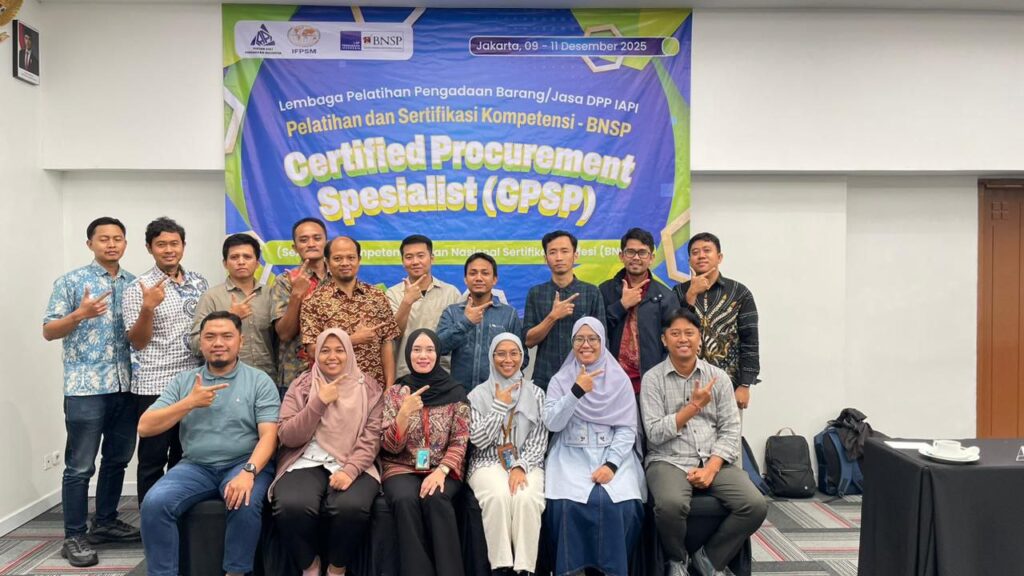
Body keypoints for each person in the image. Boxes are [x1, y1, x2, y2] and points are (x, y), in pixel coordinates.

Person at [137, 311, 279, 576]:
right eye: (210, 337)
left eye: (227, 336)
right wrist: (189, 403)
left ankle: (235, 572)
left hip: (243, 462)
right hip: (195, 466)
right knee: (154, 503)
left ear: (240, 341)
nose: (218, 343)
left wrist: (248, 473)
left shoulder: (259, 381)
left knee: (244, 500)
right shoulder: (185, 381)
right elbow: (145, 427)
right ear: (200, 343)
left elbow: (269, 436)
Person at [43, 217, 139, 567]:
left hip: (126, 386)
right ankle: (74, 535)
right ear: (90, 244)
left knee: (117, 459)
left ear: (125, 243)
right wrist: (79, 315)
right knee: (80, 465)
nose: (111, 244)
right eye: (104, 239)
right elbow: (49, 330)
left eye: (118, 238)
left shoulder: (134, 284)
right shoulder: (71, 281)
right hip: (85, 388)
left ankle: (106, 521)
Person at [641, 308, 767, 576]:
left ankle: (708, 560)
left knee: (755, 505)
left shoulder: (718, 377)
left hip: (714, 459)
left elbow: (731, 429)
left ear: (699, 337)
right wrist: (693, 408)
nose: (683, 339)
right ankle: (677, 559)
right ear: (664, 339)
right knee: (670, 505)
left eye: (689, 333)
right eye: (675, 333)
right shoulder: (652, 379)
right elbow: (654, 433)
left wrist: (712, 467)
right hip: (668, 459)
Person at [272, 328, 384, 576]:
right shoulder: (302, 385)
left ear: (350, 352)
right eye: (325, 350)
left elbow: (371, 438)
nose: (332, 357)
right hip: (305, 458)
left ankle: (337, 568)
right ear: (316, 354)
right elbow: (288, 436)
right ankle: (309, 565)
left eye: (339, 350)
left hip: (353, 460)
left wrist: (350, 470)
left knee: (351, 508)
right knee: (291, 506)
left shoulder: (370, 388)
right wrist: (319, 402)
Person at [543, 317, 644, 576]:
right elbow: (552, 422)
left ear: (603, 342)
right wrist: (575, 391)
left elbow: (626, 428)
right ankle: (572, 570)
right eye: (579, 339)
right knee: (566, 504)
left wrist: (611, 465)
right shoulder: (561, 380)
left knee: (619, 504)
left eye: (592, 339)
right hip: (570, 453)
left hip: (612, 453)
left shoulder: (619, 380)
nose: (585, 344)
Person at [123, 216, 209, 504]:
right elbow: (138, 341)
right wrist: (147, 308)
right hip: (155, 383)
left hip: (194, 381)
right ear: (150, 248)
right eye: (161, 244)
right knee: (152, 458)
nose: (169, 250)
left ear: (183, 245)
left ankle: (179, 514)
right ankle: (151, 518)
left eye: (174, 243)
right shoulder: (138, 287)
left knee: (186, 455)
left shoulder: (199, 282)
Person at [380, 329, 471, 576]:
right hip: (401, 466)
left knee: (436, 497)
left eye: (429, 350)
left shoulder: (456, 392)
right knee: (404, 499)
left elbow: (460, 438)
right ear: (408, 355)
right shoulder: (396, 392)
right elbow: (389, 446)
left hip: (442, 467)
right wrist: (403, 413)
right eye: (417, 350)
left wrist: (442, 471)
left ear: (438, 353)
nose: (423, 356)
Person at [467, 333, 547, 576]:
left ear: (522, 357)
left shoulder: (536, 394)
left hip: (527, 461)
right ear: (492, 357)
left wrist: (520, 466)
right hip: (486, 461)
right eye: (501, 354)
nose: (508, 360)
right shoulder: (477, 395)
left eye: (514, 353)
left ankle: (524, 569)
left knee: (526, 497)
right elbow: (479, 440)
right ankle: (501, 567)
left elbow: (539, 440)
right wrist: (499, 406)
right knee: (498, 495)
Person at [673, 232, 760, 409]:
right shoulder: (678, 292)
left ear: (719, 257)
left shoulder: (739, 293)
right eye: (695, 252)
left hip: (729, 385)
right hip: (685, 386)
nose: (701, 256)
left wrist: (745, 385)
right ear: (689, 260)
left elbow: (750, 341)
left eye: (707, 250)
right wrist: (691, 294)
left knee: (728, 428)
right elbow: (674, 332)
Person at [301, 236, 401, 386]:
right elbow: (312, 350)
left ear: (359, 260)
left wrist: (389, 387)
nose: (345, 263)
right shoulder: (313, 301)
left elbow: (387, 344)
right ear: (327, 262)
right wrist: (352, 340)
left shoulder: (377, 296)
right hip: (334, 389)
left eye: (351, 258)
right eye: (338, 258)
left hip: (374, 388)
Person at [599, 227, 680, 395]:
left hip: (651, 384)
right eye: (630, 252)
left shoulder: (666, 296)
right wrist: (621, 305)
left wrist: (660, 377)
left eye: (642, 253)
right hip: (611, 381)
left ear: (651, 258)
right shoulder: (605, 291)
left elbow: (673, 341)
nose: (636, 257)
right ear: (621, 256)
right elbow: (596, 333)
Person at [523, 231, 605, 391]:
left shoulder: (591, 292)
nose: (559, 257)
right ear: (545, 258)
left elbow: (602, 341)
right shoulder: (536, 293)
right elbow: (528, 341)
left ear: (575, 255)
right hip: (545, 379)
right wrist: (552, 317)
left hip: (583, 378)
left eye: (565, 251)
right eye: (553, 252)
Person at [190, 233, 275, 378]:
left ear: (257, 263)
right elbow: (195, 345)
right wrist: (231, 318)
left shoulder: (270, 294)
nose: (241, 262)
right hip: (224, 378)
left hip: (266, 377)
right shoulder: (211, 297)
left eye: (247, 257)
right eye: (234, 257)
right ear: (225, 263)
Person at [438, 253, 524, 390]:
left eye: (485, 273)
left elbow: (522, 357)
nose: (478, 278)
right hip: (460, 394)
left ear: (494, 279)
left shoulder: (509, 314)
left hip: (497, 393)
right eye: (473, 273)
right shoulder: (452, 312)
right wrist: (466, 322)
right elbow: (438, 348)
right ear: (465, 279)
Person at [386, 234, 462, 378]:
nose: (415, 262)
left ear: (432, 258)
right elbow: (393, 335)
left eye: (421, 256)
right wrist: (406, 302)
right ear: (403, 262)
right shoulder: (393, 293)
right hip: (405, 374)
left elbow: (458, 337)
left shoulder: (451, 293)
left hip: (443, 375)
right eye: (409, 257)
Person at [272, 217, 331, 396]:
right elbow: (284, 333)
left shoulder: (340, 278)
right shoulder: (285, 281)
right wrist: (297, 295)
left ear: (326, 242)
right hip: (296, 375)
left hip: (335, 373)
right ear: (295, 247)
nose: (311, 244)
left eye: (317, 238)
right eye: (304, 240)